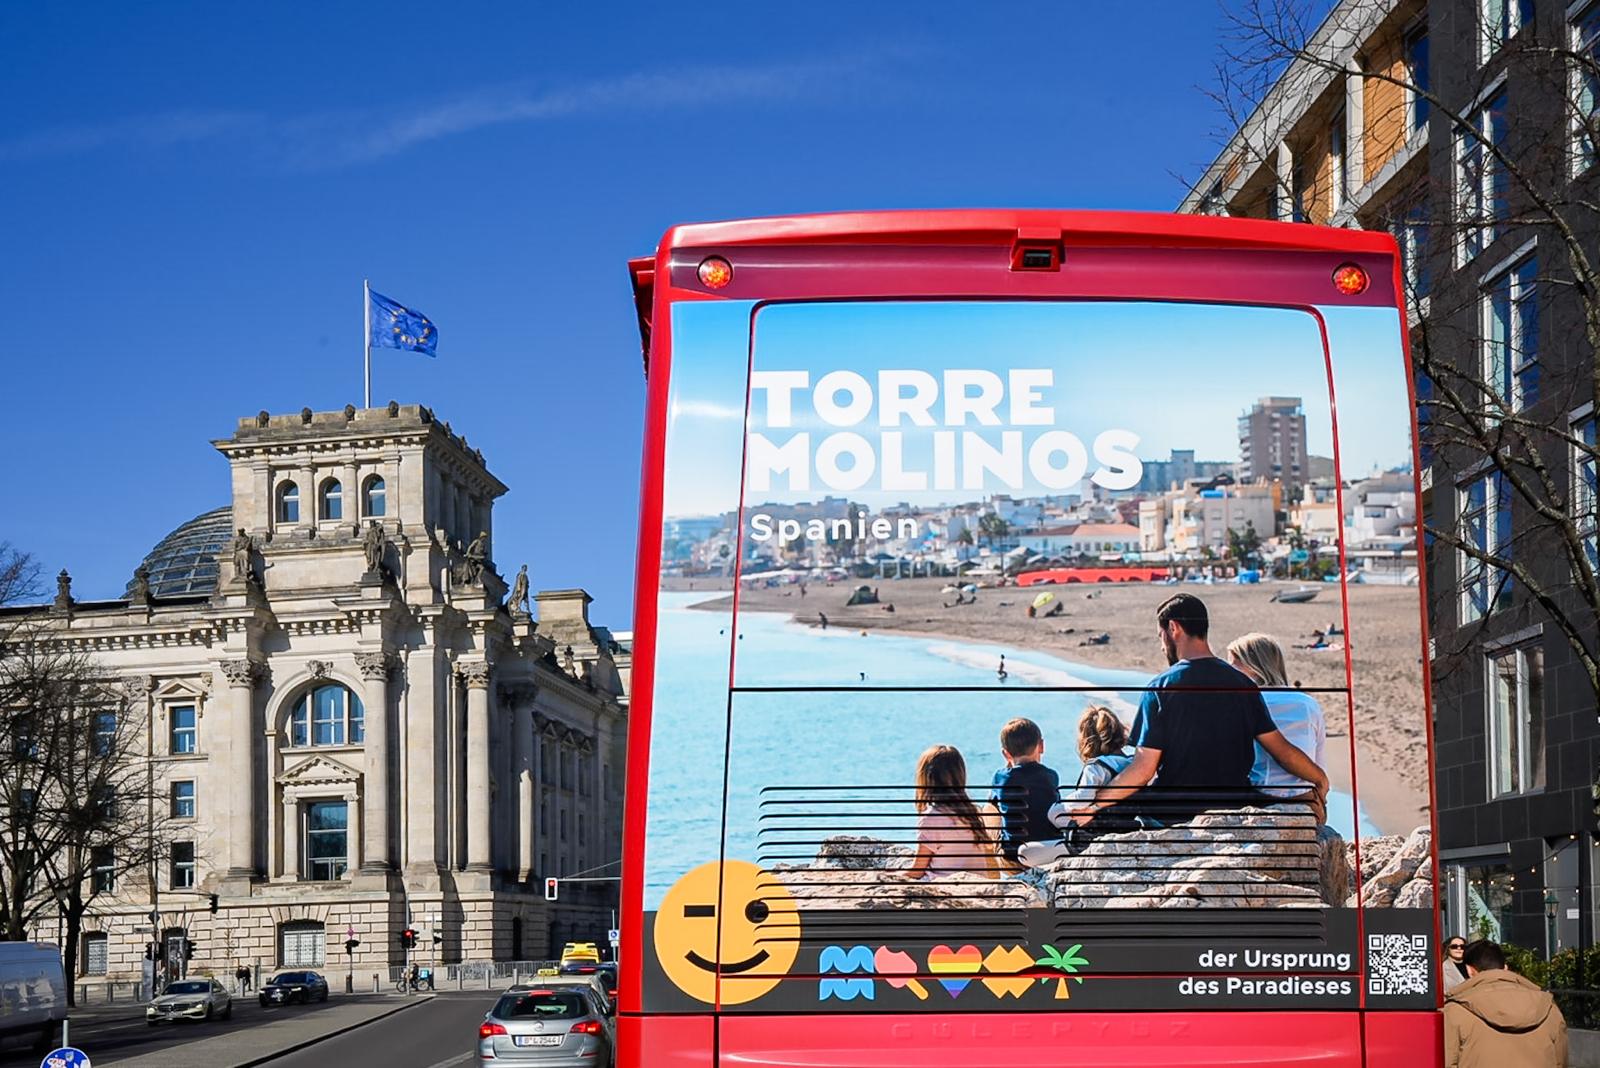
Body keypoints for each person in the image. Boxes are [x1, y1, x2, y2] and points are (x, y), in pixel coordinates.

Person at [1068, 594, 1328, 829]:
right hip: (1232, 810)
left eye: (1161, 637)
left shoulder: (1161, 687)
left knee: (1118, 780)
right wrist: (1320, 779)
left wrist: (1094, 805)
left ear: (1173, 628)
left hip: (1172, 815)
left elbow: (1143, 769)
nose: (1162, 646)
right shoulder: (1245, 686)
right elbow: (1282, 751)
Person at [1226, 632, 1328, 822]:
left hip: (1260, 803)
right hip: (1307, 803)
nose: (1229, 672)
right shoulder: (1309, 704)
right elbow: (1319, 763)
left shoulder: (1243, 703)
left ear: (1254, 667)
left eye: (1234, 665)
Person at [1018, 706, 1132, 867]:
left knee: (1025, 852)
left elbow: (1082, 799)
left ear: (1086, 741)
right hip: (1127, 827)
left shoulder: (1097, 767)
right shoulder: (1135, 765)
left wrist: (1061, 805)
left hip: (1094, 837)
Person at [1444, 939, 1567, 1068]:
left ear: (1469, 970)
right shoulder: (1547, 1006)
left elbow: (1448, 1061)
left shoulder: (1455, 1011)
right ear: (1505, 968)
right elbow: (1560, 1059)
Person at [905, 745, 998, 880]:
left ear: (926, 779)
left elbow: (917, 871)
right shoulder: (973, 813)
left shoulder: (931, 818)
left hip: (943, 886)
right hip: (977, 883)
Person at [986, 719, 1059, 865]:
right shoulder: (1051, 776)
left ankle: (991, 875)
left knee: (988, 809)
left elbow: (993, 801)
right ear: (1041, 746)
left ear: (1006, 754)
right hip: (1046, 854)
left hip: (1014, 858)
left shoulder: (1000, 777)